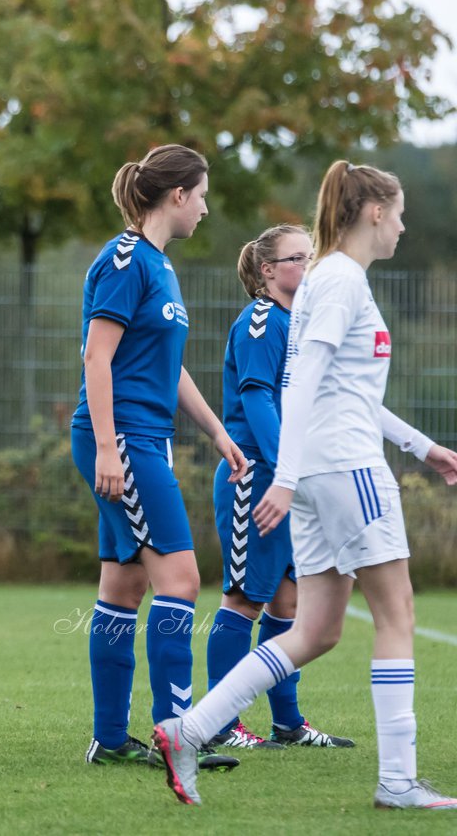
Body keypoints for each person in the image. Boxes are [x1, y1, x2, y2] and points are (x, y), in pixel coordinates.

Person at [154, 161, 457, 810]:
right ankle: (399, 781)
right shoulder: (342, 281)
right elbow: (306, 380)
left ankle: (188, 731)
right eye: (398, 213)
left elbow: (346, 390)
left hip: (320, 473)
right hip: (345, 470)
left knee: (313, 630)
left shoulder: (324, 282)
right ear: (373, 213)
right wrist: (284, 479)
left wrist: (423, 447)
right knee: (396, 615)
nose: (403, 226)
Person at [72, 144, 246, 771]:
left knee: (125, 585)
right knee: (182, 581)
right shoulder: (125, 260)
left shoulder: (159, 267)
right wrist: (111, 447)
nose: (205, 206)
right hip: (123, 439)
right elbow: (97, 358)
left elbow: (165, 369)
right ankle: (181, 734)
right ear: (177, 196)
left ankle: (110, 739)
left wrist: (218, 433)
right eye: (201, 194)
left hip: (142, 438)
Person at [202, 225, 353, 750]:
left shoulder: (299, 322)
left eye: (312, 257)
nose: (308, 267)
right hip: (257, 478)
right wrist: (286, 467)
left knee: (288, 604)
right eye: (296, 258)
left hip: (287, 479)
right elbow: (257, 399)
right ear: (268, 271)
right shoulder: (262, 320)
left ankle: (288, 724)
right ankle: (220, 724)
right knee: (244, 599)